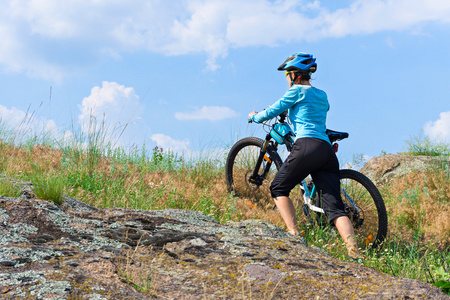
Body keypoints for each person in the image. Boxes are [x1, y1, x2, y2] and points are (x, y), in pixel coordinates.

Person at [248, 53, 362, 260]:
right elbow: (319, 111)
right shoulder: (322, 95)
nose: (286, 78)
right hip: (326, 149)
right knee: (335, 209)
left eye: (287, 74)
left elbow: (273, 110)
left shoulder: (295, 92)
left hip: (307, 145)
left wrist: (255, 116)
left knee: (278, 188)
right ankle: (355, 254)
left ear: (295, 75)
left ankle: (294, 234)